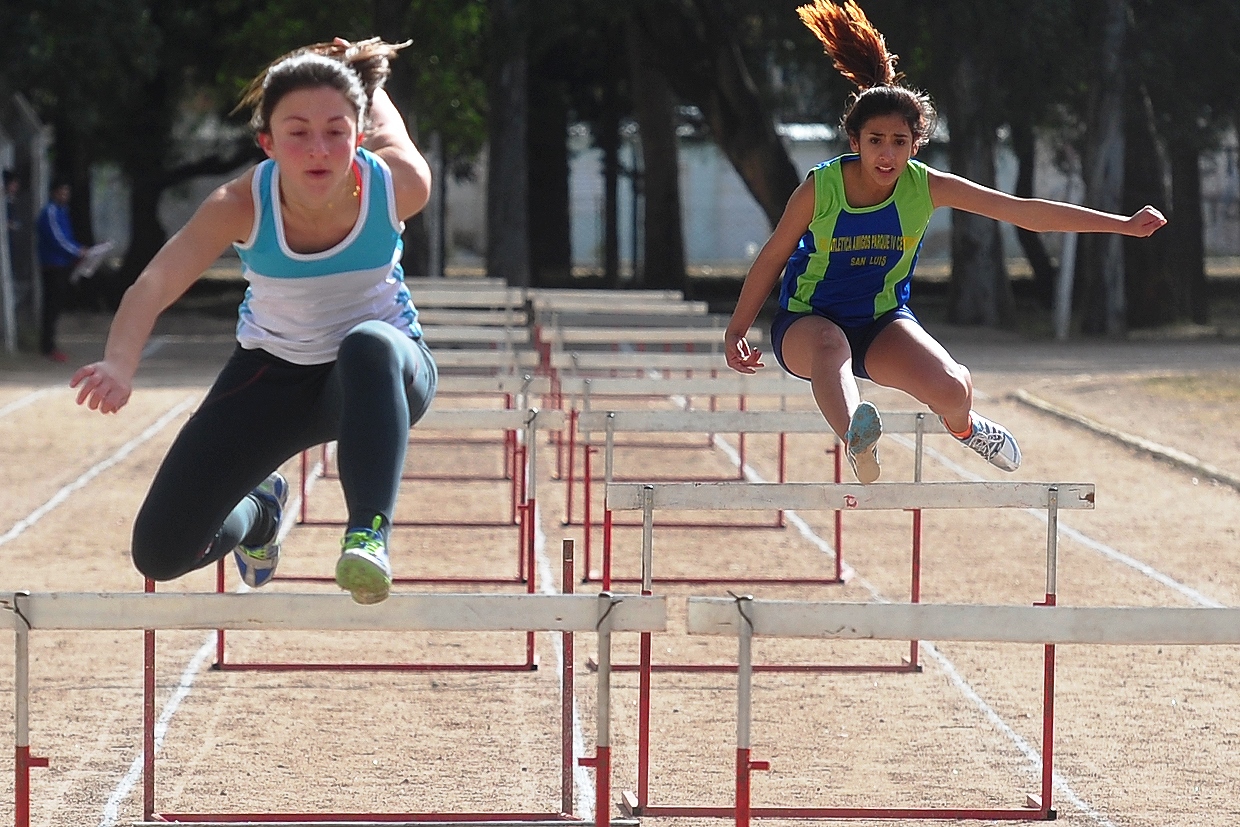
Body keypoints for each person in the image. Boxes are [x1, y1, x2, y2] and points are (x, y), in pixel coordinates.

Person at [724, 0, 1167, 484]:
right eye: (875, 141)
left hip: (880, 322)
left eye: (898, 141)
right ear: (855, 141)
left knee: (954, 388)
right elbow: (773, 257)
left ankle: (967, 429)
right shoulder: (821, 187)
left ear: (916, 144)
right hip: (806, 324)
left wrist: (1122, 223)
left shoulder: (926, 186)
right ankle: (858, 436)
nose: (886, 154)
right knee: (831, 344)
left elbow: (1024, 213)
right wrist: (737, 330)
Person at [70, 37, 437, 605]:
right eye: (297, 133)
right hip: (273, 377)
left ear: (358, 135)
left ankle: (368, 535)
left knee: (367, 343)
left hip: (381, 376)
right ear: (267, 143)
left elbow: (378, 114)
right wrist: (119, 362)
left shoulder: (399, 183)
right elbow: (155, 284)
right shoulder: (238, 204)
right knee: (162, 552)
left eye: (336, 132)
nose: (319, 149)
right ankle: (260, 513)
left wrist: (363, 71)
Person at [36, 179, 84, 362]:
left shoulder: (63, 212)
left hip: (62, 264)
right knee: (51, 305)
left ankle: (50, 343)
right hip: (53, 265)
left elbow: (67, 237)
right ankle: (47, 345)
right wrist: (77, 251)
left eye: (67, 192)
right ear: (54, 192)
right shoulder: (50, 212)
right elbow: (58, 239)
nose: (65, 196)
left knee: (56, 306)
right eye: (62, 192)